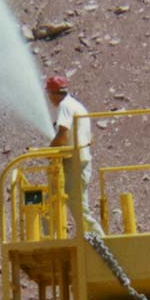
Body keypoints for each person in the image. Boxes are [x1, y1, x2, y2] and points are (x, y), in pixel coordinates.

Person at [44, 75, 100, 235]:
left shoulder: (65, 106)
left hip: (73, 164)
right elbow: (91, 138)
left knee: (78, 208)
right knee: (50, 202)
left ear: (53, 93)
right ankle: (48, 239)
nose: (49, 99)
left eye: (49, 94)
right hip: (77, 162)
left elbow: (63, 133)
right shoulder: (77, 106)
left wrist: (50, 151)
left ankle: (102, 242)